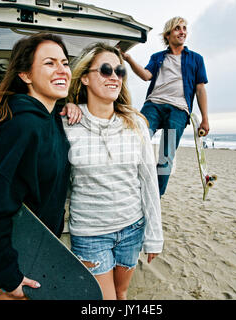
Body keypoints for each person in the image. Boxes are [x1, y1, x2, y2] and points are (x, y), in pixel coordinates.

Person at [0, 33, 81, 300]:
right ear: (25, 75)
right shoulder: (22, 127)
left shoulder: (49, 119)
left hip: (38, 249)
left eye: (64, 62)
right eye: (49, 63)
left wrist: (68, 105)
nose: (62, 70)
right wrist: (5, 275)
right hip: (16, 261)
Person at [63, 43, 163, 300]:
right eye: (105, 69)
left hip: (133, 227)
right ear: (84, 77)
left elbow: (149, 182)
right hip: (90, 234)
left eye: (120, 71)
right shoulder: (66, 122)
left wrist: (154, 236)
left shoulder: (136, 122)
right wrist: (64, 104)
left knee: (122, 292)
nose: (114, 77)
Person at [119, 16, 210, 196]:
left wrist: (205, 119)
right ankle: (130, 186)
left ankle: (156, 195)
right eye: (177, 28)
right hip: (154, 105)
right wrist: (128, 59)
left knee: (165, 156)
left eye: (184, 28)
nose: (182, 31)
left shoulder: (196, 59)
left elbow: (200, 89)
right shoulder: (158, 57)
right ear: (168, 35)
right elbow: (146, 75)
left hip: (179, 110)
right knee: (136, 140)